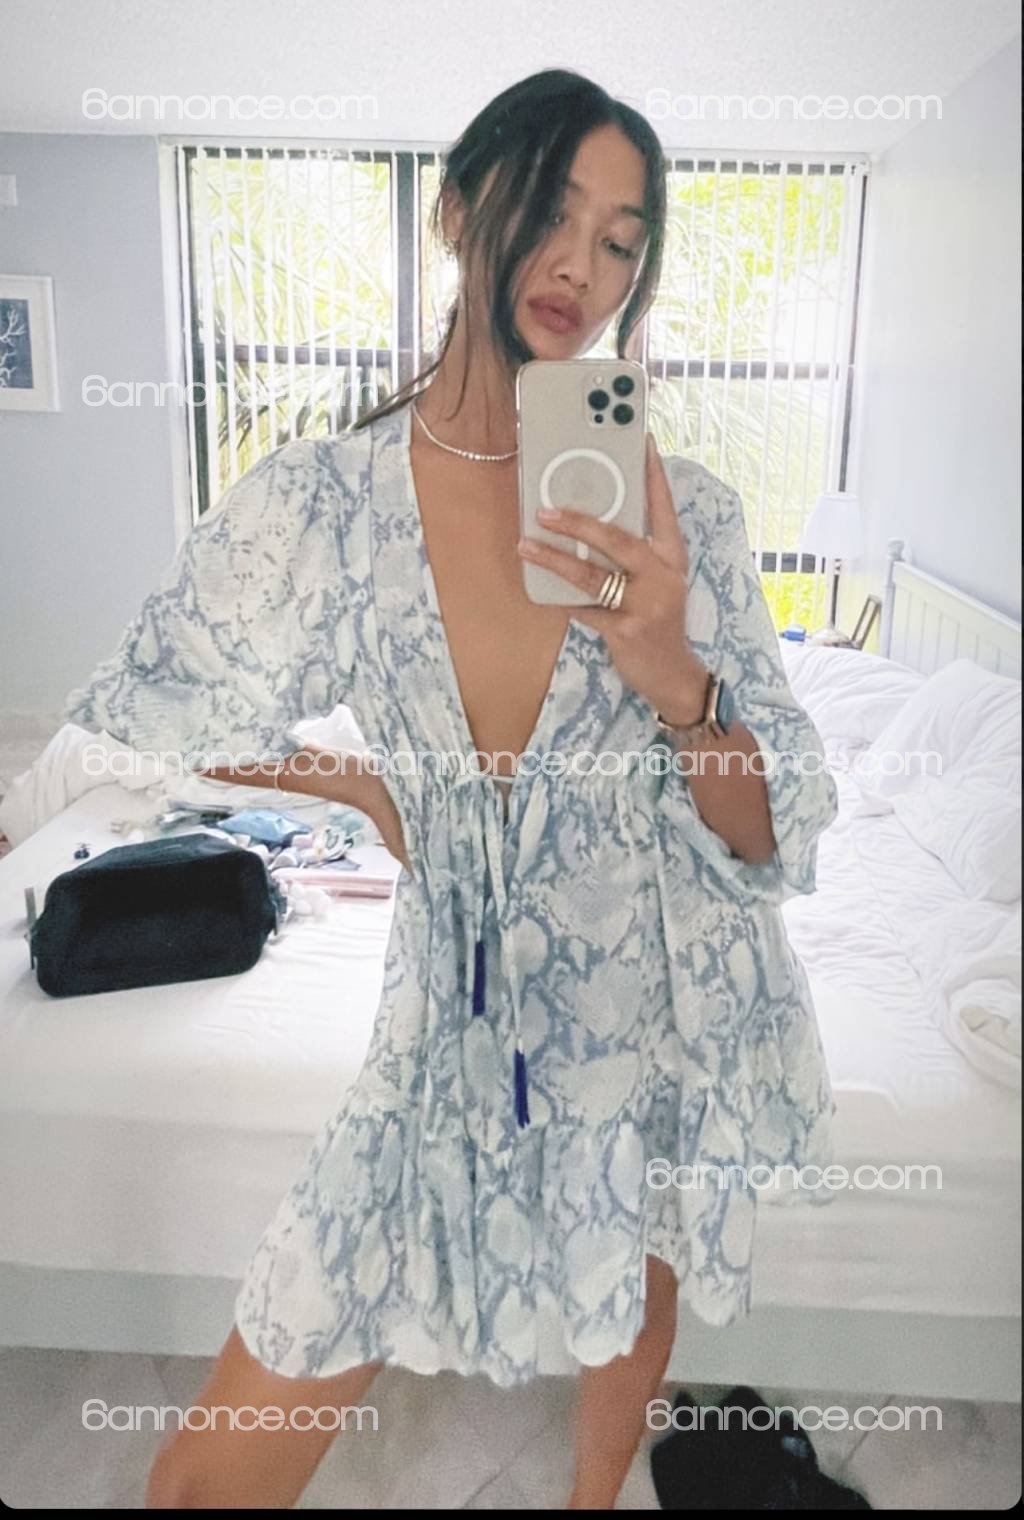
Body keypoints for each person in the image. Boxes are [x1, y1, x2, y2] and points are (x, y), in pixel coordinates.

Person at [64, 67, 839, 1511]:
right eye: (553, 209)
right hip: (438, 1029)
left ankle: (595, 1498)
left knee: (637, 1266)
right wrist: (363, 787)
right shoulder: (325, 501)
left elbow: (771, 831)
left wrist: (675, 671)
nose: (580, 265)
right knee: (201, 1479)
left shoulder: (684, 515)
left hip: (643, 1005)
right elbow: (159, 702)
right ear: (458, 211)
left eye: (620, 241)